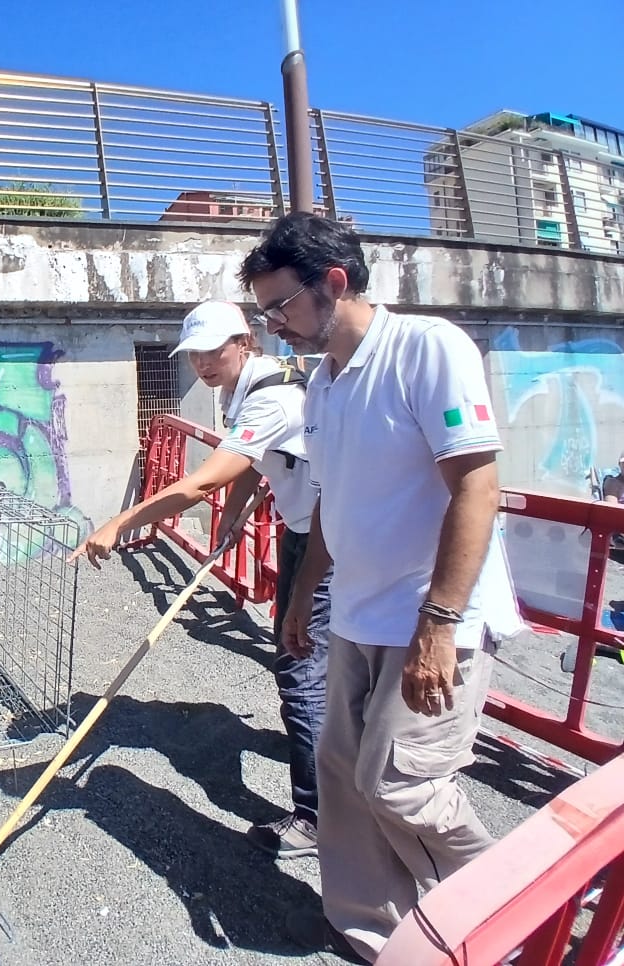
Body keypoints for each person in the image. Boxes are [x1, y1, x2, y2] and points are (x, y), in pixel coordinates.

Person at [239, 213, 523, 962]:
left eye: (280, 307)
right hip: (359, 615)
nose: (273, 327)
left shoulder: (427, 348)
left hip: (431, 616)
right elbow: (331, 501)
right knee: (343, 784)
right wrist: (301, 595)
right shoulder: (325, 385)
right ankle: (375, 933)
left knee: (402, 785)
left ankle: (526, 913)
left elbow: (477, 486)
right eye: (263, 312)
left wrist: (439, 620)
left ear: (334, 282)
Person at [70, 299, 332, 860]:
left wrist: (118, 523)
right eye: (194, 355)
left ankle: (317, 819)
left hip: (326, 542)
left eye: (214, 350)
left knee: (300, 674)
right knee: (309, 668)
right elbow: (254, 465)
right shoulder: (257, 387)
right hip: (307, 527)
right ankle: (337, 785)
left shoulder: (272, 399)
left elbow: (200, 485)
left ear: (244, 342)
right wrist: (236, 518)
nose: (204, 364)